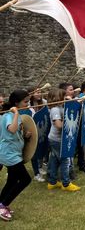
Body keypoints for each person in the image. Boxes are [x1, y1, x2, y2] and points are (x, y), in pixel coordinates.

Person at [0, 90, 32, 221]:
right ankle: (3, 205)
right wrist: (16, 113)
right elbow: (11, 129)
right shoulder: (9, 115)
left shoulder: (14, 115)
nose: (28, 104)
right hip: (9, 154)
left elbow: (15, 133)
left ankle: (1, 203)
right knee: (25, 179)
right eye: (25, 101)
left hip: (14, 152)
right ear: (16, 103)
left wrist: (25, 135)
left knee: (12, 181)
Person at [46, 88, 80, 192]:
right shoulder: (55, 109)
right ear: (58, 97)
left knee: (55, 160)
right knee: (65, 160)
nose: (65, 97)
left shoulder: (60, 106)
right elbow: (58, 125)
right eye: (63, 96)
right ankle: (66, 183)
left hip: (57, 138)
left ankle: (52, 182)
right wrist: (68, 121)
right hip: (57, 139)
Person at [28, 87, 48, 182]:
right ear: (31, 94)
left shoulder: (44, 102)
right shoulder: (27, 104)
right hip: (31, 130)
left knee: (42, 148)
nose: (39, 94)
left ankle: (40, 167)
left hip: (41, 130)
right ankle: (36, 173)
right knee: (34, 152)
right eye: (36, 92)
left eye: (40, 92)